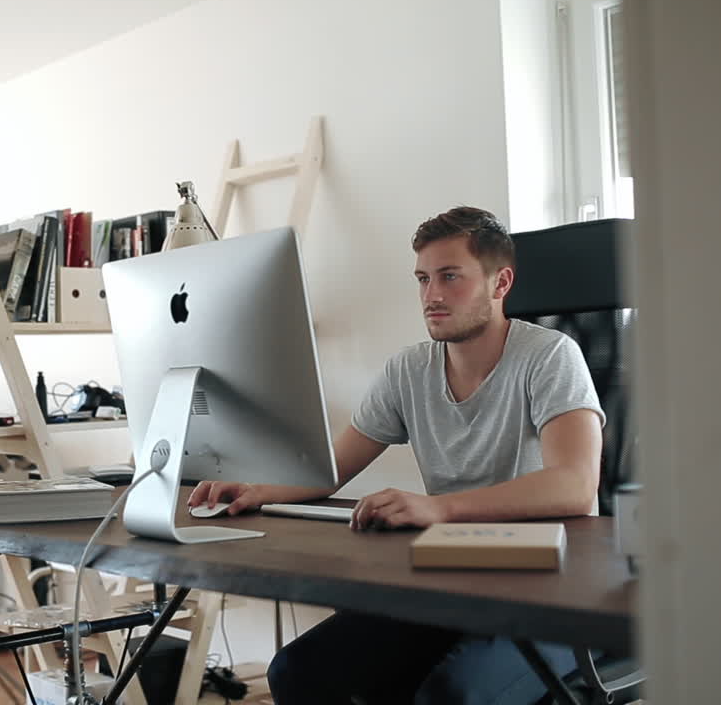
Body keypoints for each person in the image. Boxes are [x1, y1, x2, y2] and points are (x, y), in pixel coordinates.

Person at [187, 206, 605, 704]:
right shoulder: (408, 370)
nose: (431, 295)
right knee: (299, 671)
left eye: (450, 277)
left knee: (447, 696)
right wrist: (260, 488)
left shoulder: (550, 357)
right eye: (423, 279)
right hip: (451, 581)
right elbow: (332, 468)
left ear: (501, 283)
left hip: (551, 595)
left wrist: (439, 508)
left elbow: (575, 486)